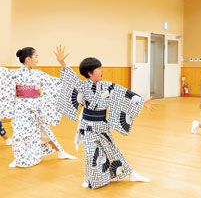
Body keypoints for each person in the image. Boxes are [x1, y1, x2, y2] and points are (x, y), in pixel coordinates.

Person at [55, 45, 153, 189]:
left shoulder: (107, 86)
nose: (101, 71)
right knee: (91, 155)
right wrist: (62, 63)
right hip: (87, 127)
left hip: (102, 125)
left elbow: (123, 94)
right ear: (90, 73)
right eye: (98, 69)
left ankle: (131, 173)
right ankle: (89, 179)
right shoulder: (82, 87)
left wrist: (141, 102)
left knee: (112, 151)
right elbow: (70, 79)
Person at [0, 47, 76, 168]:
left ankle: (61, 152)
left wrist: (62, 63)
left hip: (36, 108)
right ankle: (18, 158)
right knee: (19, 134)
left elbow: (57, 83)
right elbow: (2, 75)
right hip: (21, 109)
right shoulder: (15, 73)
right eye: (36, 57)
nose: (37, 60)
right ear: (28, 59)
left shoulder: (39, 74)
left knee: (45, 131)